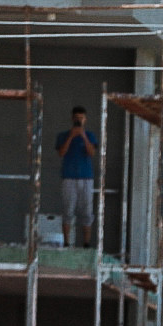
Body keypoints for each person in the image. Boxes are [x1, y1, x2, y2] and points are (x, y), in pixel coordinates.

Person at [56, 105, 99, 247]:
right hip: (69, 177)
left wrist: (83, 136)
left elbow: (91, 153)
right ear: (72, 119)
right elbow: (61, 152)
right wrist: (71, 136)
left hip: (86, 178)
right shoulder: (63, 135)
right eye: (76, 119)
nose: (78, 121)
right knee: (68, 210)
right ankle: (66, 242)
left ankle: (86, 243)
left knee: (86, 212)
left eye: (81, 119)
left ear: (85, 120)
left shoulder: (90, 135)